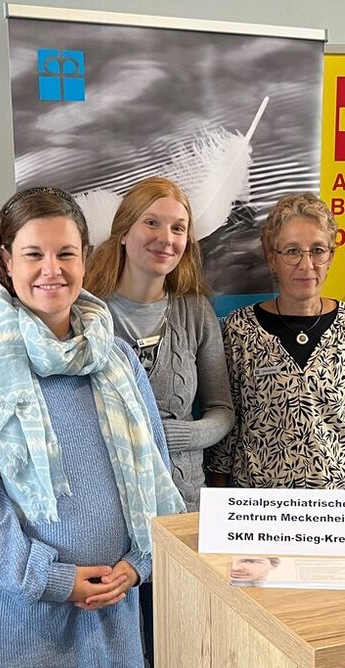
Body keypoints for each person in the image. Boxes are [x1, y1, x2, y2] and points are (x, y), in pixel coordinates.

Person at [0, 187, 184, 668]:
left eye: (66, 253)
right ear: (5, 261)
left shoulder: (116, 356)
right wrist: (48, 577)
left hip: (110, 612)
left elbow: (155, 470)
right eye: (34, 254)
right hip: (24, 621)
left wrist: (138, 565)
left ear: (85, 256)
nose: (52, 269)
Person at [208, 192, 345, 668]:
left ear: (332, 255)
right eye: (291, 251)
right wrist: (218, 508)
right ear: (270, 255)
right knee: (269, 639)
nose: (305, 264)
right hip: (263, 517)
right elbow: (228, 422)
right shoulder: (239, 331)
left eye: (317, 250)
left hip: (343, 516)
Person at [83, 176, 234, 512]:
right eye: (152, 223)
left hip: (185, 499)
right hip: (109, 505)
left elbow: (222, 411)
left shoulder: (195, 311)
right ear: (123, 233)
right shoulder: (86, 313)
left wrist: (181, 436)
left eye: (178, 228)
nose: (166, 239)